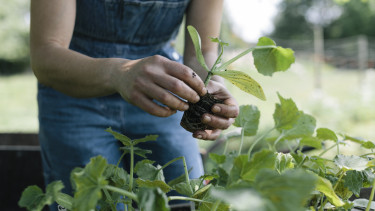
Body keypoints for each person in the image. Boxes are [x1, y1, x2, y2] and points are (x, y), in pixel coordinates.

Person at [30, 0, 238, 209]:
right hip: (74, 87)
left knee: (186, 198)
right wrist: (119, 73)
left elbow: (203, 51)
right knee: (91, 201)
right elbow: (45, 55)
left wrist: (211, 87)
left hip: (162, 91)